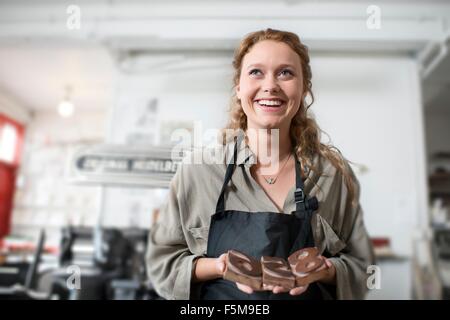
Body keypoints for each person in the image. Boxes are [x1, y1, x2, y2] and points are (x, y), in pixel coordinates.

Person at [146, 28, 375, 300]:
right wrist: (220, 267)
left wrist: (323, 270)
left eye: (285, 73)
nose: (270, 86)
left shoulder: (330, 175)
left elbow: (365, 270)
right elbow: (162, 265)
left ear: (303, 88)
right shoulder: (198, 172)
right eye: (256, 72)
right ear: (239, 87)